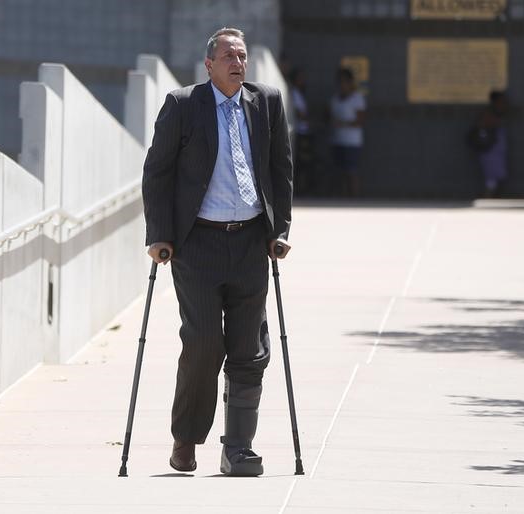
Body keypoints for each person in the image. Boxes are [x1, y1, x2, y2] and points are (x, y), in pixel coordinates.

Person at [142, 27, 293, 476]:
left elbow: (281, 168)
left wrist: (279, 228)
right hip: (198, 243)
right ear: (209, 64)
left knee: (249, 346)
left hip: (250, 241)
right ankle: (186, 438)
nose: (238, 63)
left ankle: (238, 448)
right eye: (229, 56)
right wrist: (159, 234)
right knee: (205, 342)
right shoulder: (184, 105)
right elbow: (158, 172)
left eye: (242, 56)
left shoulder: (265, 102)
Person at [329, 67, 366, 196]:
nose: (342, 84)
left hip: (352, 142)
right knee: (339, 172)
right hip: (338, 140)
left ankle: (354, 199)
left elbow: (360, 120)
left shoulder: (357, 98)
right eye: (339, 81)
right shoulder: (335, 99)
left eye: (344, 81)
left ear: (350, 82)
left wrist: (343, 123)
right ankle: (341, 198)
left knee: (351, 171)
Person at [473, 90, 509, 197]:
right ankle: (489, 192)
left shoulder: (497, 115)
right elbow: (482, 128)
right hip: (489, 148)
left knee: (495, 171)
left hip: (495, 147)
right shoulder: (488, 114)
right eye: (501, 101)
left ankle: (492, 192)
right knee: (491, 172)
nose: (504, 104)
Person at [288, 68, 315, 195]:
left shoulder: (300, 93)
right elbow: (300, 113)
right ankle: (299, 189)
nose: (303, 80)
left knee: (305, 163)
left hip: (304, 131)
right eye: (300, 78)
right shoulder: (294, 93)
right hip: (299, 131)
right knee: (300, 162)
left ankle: (302, 188)